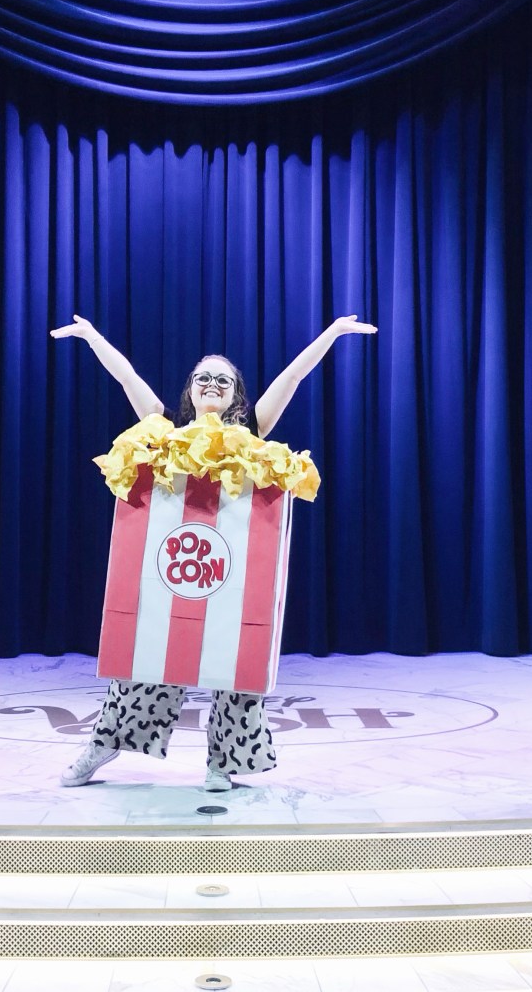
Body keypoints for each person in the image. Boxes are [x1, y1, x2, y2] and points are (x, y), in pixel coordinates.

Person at [50, 312, 377, 791]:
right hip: (173, 571)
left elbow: (292, 377)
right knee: (146, 660)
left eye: (224, 380)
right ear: (191, 389)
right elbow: (127, 377)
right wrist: (92, 335)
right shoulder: (162, 431)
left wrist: (331, 333)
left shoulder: (254, 434)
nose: (212, 384)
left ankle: (223, 761)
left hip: (230, 575)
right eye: (203, 377)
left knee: (236, 664)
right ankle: (103, 744)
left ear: (235, 395)